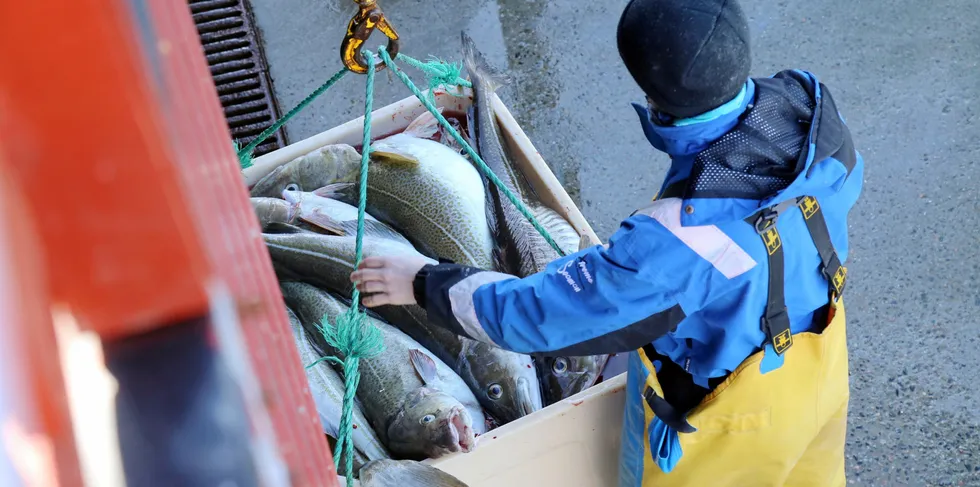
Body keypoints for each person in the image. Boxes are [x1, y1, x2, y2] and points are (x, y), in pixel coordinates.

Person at [349, 0, 864, 484]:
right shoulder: (812, 118)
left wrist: (421, 281)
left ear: (653, 97)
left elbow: (545, 314)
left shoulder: (675, 242)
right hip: (815, 371)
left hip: (735, 422)